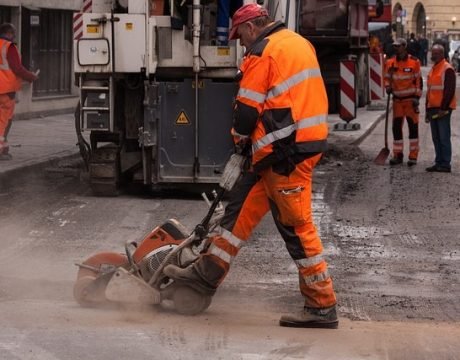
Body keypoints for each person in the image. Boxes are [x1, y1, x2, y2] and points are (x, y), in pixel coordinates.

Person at [164, 3, 338, 329]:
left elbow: (247, 112)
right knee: (237, 214)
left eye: (239, 36)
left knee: (296, 228)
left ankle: (322, 305)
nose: (240, 43)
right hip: (284, 149)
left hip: (286, 153)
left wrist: (239, 142)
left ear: (251, 27)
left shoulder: (262, 52)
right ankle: (204, 277)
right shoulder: (298, 42)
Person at [0, 23, 38, 160]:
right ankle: (1, 150)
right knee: (4, 121)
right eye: (13, 33)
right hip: (6, 90)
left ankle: (3, 148)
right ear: (8, 33)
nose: (15, 35)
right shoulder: (9, 47)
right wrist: (31, 76)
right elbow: (17, 68)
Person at [384, 37, 423, 166]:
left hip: (410, 101)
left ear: (404, 47)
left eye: (398, 46)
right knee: (396, 128)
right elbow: (387, 77)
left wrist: (417, 97)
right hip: (397, 102)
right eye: (394, 46)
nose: (396, 48)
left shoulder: (414, 62)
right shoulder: (390, 62)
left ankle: (413, 157)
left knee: (413, 128)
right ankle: (398, 155)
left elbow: (419, 81)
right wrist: (387, 86)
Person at [425, 44, 457, 173]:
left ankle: (445, 164)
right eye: (433, 53)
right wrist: (427, 109)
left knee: (443, 136)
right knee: (436, 137)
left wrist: (443, 108)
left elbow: (449, 91)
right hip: (433, 108)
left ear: (442, 54)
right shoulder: (434, 69)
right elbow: (430, 91)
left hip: (442, 109)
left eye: (436, 53)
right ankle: (439, 162)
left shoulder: (447, 69)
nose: (433, 55)